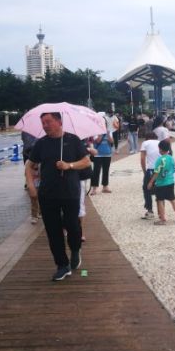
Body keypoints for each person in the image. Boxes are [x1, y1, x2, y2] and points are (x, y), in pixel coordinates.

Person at [25, 112, 91, 281]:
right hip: (47, 193)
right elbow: (30, 165)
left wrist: (68, 165)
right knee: (53, 231)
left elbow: (86, 161)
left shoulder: (73, 140)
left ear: (59, 122)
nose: (45, 125)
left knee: (72, 226)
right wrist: (31, 184)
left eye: (48, 122)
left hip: (70, 192)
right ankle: (62, 265)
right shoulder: (41, 143)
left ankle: (75, 249)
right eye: (43, 123)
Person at [147, 140, 175, 225]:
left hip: (161, 184)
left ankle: (163, 219)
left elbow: (156, 172)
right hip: (170, 182)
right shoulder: (171, 158)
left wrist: (151, 182)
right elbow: (174, 170)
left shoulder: (160, 160)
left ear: (161, 149)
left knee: (160, 200)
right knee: (172, 199)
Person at [139, 132, 159, 220]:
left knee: (146, 189)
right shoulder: (160, 142)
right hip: (161, 170)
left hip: (151, 169)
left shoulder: (145, 143)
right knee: (160, 189)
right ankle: (161, 212)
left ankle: (150, 211)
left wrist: (144, 171)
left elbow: (142, 159)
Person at [90, 129, 113, 195]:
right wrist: (100, 134)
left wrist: (108, 134)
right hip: (98, 154)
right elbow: (97, 141)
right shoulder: (95, 131)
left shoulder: (109, 131)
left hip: (107, 154)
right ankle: (94, 188)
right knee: (96, 171)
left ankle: (105, 186)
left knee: (106, 171)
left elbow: (111, 141)